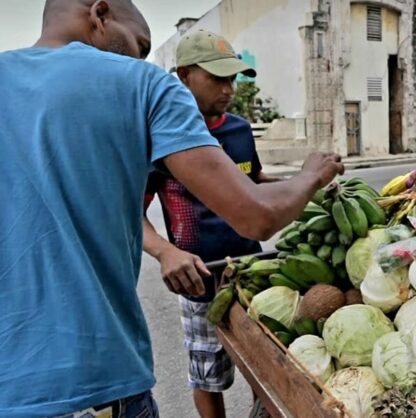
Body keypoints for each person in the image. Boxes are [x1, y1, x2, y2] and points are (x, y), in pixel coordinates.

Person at [0, 1, 343, 417]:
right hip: (97, 385)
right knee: (207, 374)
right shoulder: (141, 85)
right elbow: (257, 214)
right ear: (99, 13)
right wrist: (311, 175)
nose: (141, 57)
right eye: (139, 44)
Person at [142, 30, 277, 418]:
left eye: (233, 78)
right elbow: (132, 213)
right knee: (207, 375)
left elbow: (255, 185)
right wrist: (166, 251)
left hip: (252, 274)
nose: (229, 88)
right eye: (218, 78)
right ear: (184, 75)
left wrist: (304, 184)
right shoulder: (162, 139)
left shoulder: (238, 129)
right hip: (200, 281)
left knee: (266, 366)